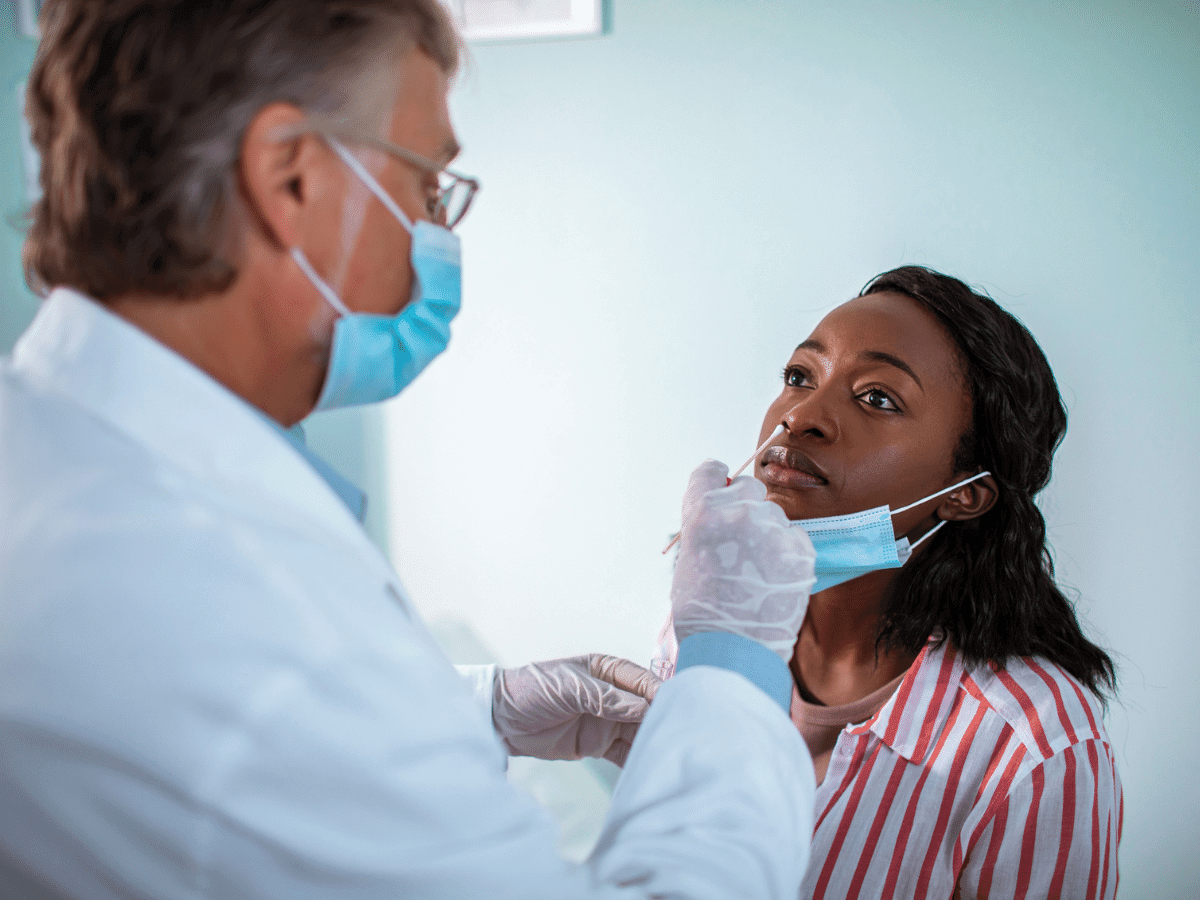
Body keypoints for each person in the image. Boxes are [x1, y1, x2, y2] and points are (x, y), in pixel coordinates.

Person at [0, 2, 819, 898]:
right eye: (429, 184)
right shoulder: (256, 614)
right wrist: (732, 669)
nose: (440, 233)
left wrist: (482, 708)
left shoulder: (49, 447)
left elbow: (212, 747)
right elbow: (268, 706)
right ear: (291, 179)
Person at [655, 266, 1122, 899]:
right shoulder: (707, 623)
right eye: (799, 377)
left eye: (878, 398)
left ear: (967, 494)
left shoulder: (1036, 746)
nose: (801, 417)